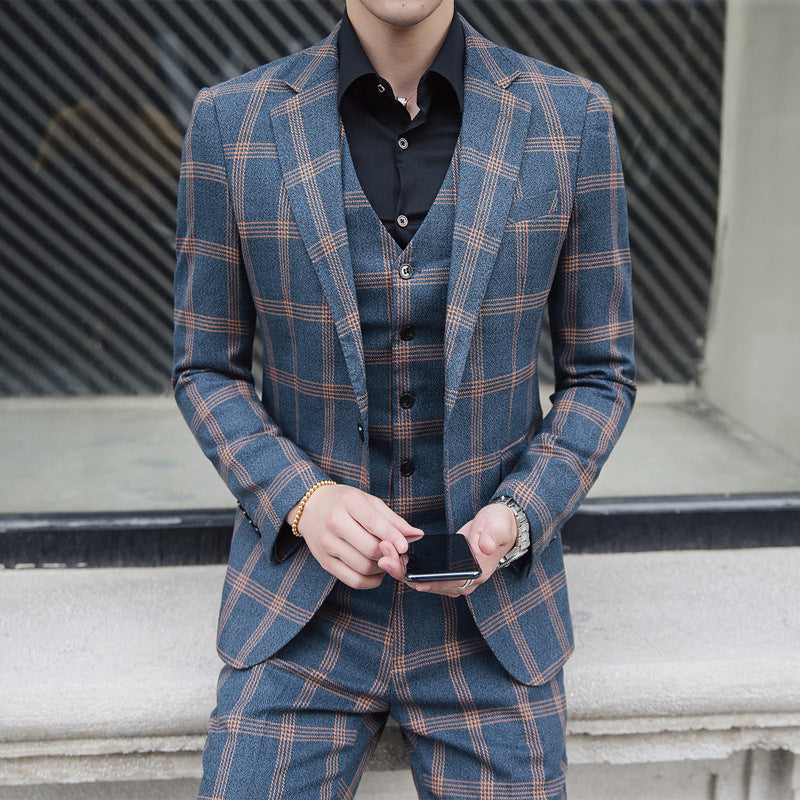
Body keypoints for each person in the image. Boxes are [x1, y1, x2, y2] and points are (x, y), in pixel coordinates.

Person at [172, 1, 635, 797]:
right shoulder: (231, 122)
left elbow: (601, 373)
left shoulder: (570, 118)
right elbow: (205, 367)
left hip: (490, 625)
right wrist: (304, 501)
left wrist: (517, 517)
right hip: (303, 618)